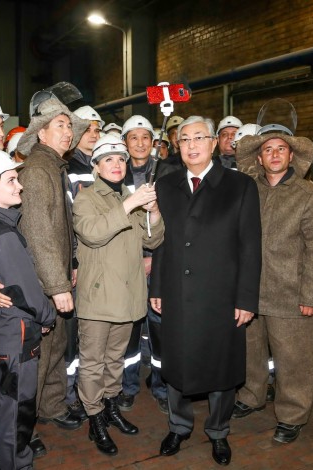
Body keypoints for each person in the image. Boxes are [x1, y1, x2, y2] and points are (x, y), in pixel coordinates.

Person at [151, 116, 261, 466]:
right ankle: (179, 426)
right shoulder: (166, 185)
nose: (192, 145)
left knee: (222, 366)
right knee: (176, 362)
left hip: (221, 295)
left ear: (214, 143)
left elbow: (250, 246)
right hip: (177, 291)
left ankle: (218, 430)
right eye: (185, 139)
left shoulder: (240, 185)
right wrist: (157, 287)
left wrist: (246, 298)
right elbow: (162, 241)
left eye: (199, 137)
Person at [234, 129, 313, 445]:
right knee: (251, 351)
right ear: (259, 158)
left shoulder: (308, 194)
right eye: (268, 149)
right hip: (250, 290)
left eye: (281, 149)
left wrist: (312, 295)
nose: (274, 154)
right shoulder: (248, 190)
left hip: (290, 292)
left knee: (293, 359)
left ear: (291, 156)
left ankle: (292, 414)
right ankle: (251, 395)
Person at [73, 134, 164, 455]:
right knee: (92, 362)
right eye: (108, 159)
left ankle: (110, 406)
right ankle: (94, 416)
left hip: (126, 296)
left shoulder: (130, 196)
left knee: (115, 359)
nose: (117, 164)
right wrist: (131, 204)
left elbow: (152, 240)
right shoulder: (86, 198)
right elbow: (93, 234)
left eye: (121, 159)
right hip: (98, 298)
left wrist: (153, 211)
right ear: (96, 167)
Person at [0, 149, 57, 470]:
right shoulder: (2, 234)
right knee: (17, 413)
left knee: (2, 408)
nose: (20, 186)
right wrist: (47, 316)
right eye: (11, 180)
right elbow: (26, 292)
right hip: (15, 337)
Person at [14, 96, 89, 450]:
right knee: (40, 355)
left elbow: (63, 228)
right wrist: (57, 285)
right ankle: (24, 429)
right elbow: (39, 233)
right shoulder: (37, 171)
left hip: (55, 274)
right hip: (42, 281)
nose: (68, 132)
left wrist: (69, 266)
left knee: (56, 345)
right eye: (60, 125)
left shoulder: (55, 167)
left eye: (69, 126)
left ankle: (52, 405)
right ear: (41, 134)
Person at [118, 115, 177, 414]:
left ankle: (161, 386)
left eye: (145, 138)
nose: (140, 143)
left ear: (154, 142)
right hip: (127, 265)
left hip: (159, 264)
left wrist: (155, 260)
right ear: (125, 142)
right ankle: (127, 387)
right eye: (134, 138)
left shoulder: (168, 173)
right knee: (128, 331)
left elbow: (174, 225)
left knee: (160, 329)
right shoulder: (116, 174)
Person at [62, 104, 105, 424]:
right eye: (86, 129)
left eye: (96, 130)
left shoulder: (104, 163)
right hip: (81, 260)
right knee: (74, 331)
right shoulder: (68, 168)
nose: (92, 134)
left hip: (102, 259)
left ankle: (94, 389)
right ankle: (70, 393)